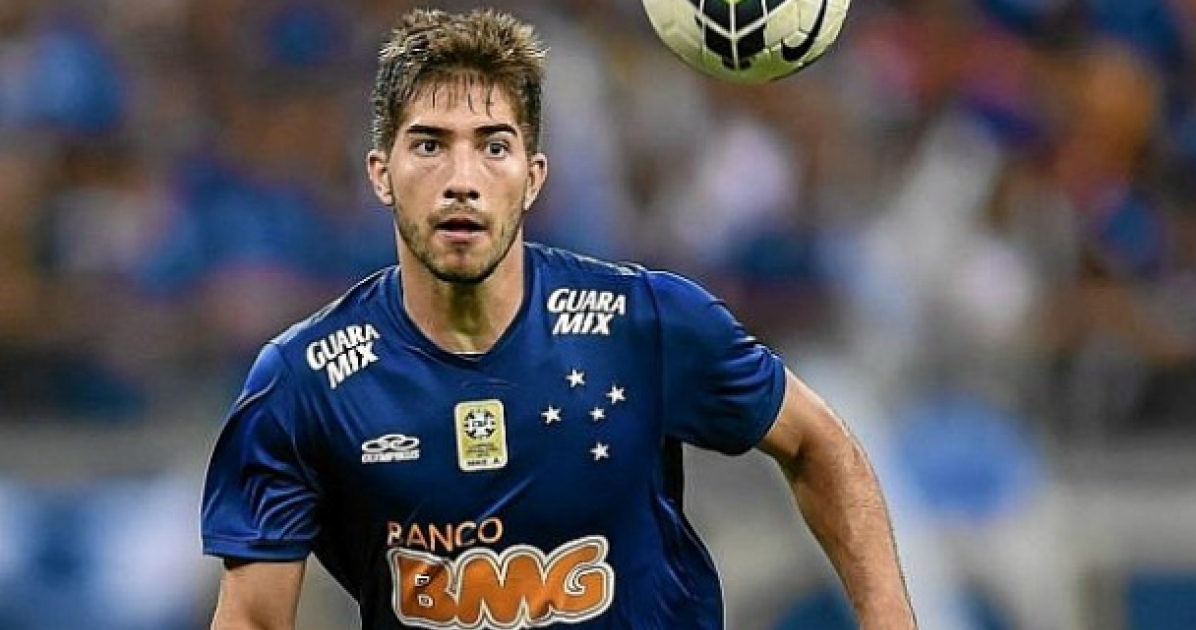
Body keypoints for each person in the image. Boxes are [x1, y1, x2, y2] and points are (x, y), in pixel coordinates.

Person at [200, 8, 918, 630]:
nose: (461, 179)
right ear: (380, 173)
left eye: (493, 146)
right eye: (428, 144)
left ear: (533, 176)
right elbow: (254, 616)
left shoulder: (643, 324)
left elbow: (817, 442)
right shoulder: (304, 382)